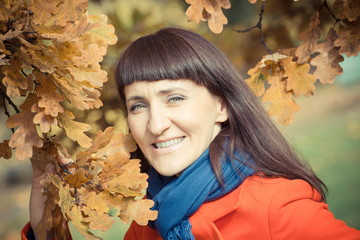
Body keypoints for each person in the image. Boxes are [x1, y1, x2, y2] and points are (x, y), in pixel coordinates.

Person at [22, 27, 359, 240]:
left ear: (222, 107)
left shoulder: (275, 206)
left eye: (175, 98)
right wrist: (46, 227)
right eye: (138, 106)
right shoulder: (151, 216)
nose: (155, 125)